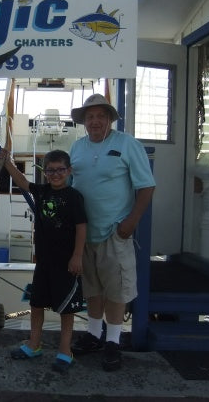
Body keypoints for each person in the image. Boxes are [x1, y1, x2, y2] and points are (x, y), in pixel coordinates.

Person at [69, 94, 155, 371]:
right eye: (90, 117)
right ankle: (94, 335)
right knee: (92, 288)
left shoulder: (128, 144)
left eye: (100, 116)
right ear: (83, 121)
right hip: (84, 233)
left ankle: (113, 341)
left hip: (114, 232)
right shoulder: (77, 147)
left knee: (116, 291)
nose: (95, 121)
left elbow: (146, 186)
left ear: (110, 119)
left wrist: (131, 221)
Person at [0, 148, 87, 373]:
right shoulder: (42, 191)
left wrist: (77, 256)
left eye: (60, 170)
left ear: (69, 171)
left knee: (67, 309)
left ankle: (65, 351)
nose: (55, 174)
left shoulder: (74, 197)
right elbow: (20, 180)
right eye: (50, 170)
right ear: (44, 172)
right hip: (44, 263)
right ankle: (33, 345)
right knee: (36, 304)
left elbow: (81, 228)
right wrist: (6, 161)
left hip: (67, 264)